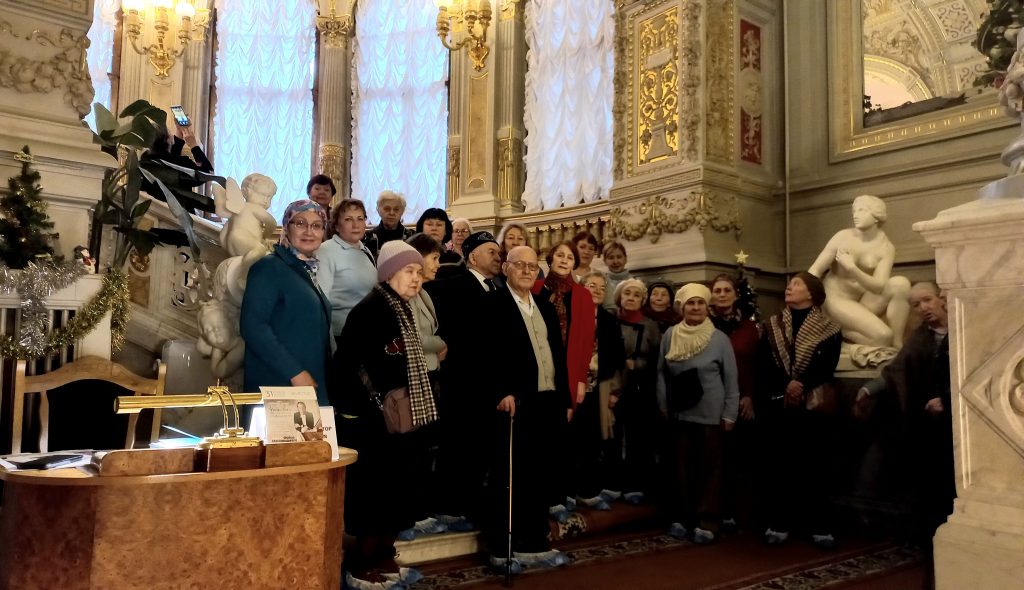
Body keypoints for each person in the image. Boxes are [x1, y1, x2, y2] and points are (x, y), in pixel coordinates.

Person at [332, 240, 439, 588]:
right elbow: (348, 366)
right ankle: (363, 564)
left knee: (397, 490)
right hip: (375, 422)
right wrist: (373, 408)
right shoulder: (370, 310)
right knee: (375, 494)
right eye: (409, 271)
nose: (416, 279)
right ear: (389, 272)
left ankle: (384, 556)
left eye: (419, 273)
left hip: (402, 418)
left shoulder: (401, 308)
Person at [482, 245, 572, 572]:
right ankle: (502, 548)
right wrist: (500, 390)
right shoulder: (492, 304)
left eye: (532, 267)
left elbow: (556, 355)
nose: (526, 270)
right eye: (519, 264)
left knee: (540, 473)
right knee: (510, 476)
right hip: (514, 402)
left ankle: (535, 542)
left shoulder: (545, 306)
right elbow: (485, 355)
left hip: (546, 400)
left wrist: (564, 398)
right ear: (505, 267)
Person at [855, 282, 953, 565]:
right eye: (915, 304)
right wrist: (867, 390)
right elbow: (895, 369)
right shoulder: (920, 336)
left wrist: (946, 400)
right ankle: (929, 536)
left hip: (957, 421)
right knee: (927, 480)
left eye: (927, 300)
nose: (923, 308)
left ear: (941, 299)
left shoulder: (964, 329)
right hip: (925, 421)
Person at [423, 231, 503, 531]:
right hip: (461, 381)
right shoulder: (453, 285)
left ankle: (468, 503)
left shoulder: (497, 288)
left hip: (487, 384)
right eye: (491, 251)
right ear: (472, 257)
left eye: (499, 251)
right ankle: (449, 506)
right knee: (457, 445)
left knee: (478, 447)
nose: (498, 256)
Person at [757, 272, 842, 549]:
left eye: (796, 284)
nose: (789, 288)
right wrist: (787, 384)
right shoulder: (771, 325)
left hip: (813, 409)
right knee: (780, 467)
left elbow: (827, 365)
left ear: (812, 293)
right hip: (779, 405)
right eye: (789, 284)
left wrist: (801, 383)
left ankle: (819, 526)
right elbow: (764, 363)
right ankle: (779, 523)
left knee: (815, 467)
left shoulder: (829, 328)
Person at [657, 283, 739, 545]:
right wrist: (663, 405)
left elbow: (731, 379)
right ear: (682, 307)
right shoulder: (670, 334)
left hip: (711, 416)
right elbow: (661, 373)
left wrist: (730, 414)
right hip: (679, 414)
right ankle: (682, 518)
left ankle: (707, 521)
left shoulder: (719, 339)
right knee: (680, 469)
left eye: (700, 303)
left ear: (707, 307)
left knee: (710, 471)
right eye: (690, 303)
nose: (695, 307)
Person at [240, 200, 332, 405]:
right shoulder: (269, 267)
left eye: (317, 225)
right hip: (280, 385)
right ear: (286, 227)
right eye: (300, 223)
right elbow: (253, 327)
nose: (309, 231)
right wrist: (295, 372)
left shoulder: (304, 270)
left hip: (307, 384)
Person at [532, 240, 596, 520]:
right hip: (540, 368)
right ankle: (538, 494)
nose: (564, 260)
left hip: (568, 369)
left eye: (569, 257)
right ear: (550, 259)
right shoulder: (535, 289)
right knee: (539, 436)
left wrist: (580, 379)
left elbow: (584, 340)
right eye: (559, 255)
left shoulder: (581, 295)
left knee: (561, 435)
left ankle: (557, 496)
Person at [808, 195, 911, 348]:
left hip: (863, 301)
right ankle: (839, 334)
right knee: (883, 336)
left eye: (862, 210)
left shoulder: (886, 247)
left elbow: (878, 287)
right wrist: (808, 301)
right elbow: (815, 270)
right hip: (836, 300)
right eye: (855, 211)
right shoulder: (842, 237)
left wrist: (851, 268)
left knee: (900, 284)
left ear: (876, 216)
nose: (856, 215)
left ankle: (897, 343)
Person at [708, 274, 760, 532]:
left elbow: (755, 365)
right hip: (710, 401)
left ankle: (737, 512)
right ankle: (715, 511)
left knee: (738, 460)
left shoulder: (750, 328)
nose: (721, 294)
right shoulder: (704, 323)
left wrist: (749, 395)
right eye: (717, 290)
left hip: (740, 400)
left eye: (727, 290)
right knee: (714, 459)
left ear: (736, 294)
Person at [574, 271, 627, 510]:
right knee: (571, 440)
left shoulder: (608, 319)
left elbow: (618, 357)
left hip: (600, 388)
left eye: (601, 287)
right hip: (573, 387)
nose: (596, 290)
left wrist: (615, 391)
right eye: (591, 285)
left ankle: (589, 491)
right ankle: (567, 491)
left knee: (593, 441)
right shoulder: (571, 314)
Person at [614, 278, 663, 505]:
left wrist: (638, 365)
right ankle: (614, 484)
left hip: (639, 389)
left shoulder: (651, 326)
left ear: (642, 300)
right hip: (613, 388)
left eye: (636, 295)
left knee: (637, 438)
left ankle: (635, 485)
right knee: (613, 439)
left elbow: (658, 361)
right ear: (619, 298)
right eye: (627, 294)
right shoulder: (610, 321)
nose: (631, 298)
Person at [316, 199, 377, 347]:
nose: (356, 225)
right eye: (348, 219)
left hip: (368, 332)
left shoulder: (364, 249)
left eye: (360, 219)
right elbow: (321, 302)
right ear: (336, 225)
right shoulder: (326, 251)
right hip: (342, 336)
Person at [139, 121, 215, 213]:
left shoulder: (145, 161)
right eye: (170, 133)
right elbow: (207, 172)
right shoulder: (181, 164)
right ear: (167, 140)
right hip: (181, 218)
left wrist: (179, 134)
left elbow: (169, 161)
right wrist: (194, 145)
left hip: (155, 212)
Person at [363, 190, 415, 259]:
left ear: (402, 212)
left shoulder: (412, 237)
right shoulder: (368, 237)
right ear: (378, 210)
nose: (391, 213)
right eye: (387, 209)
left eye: (396, 209)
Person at [494, 221, 529, 289]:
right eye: (511, 238)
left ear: (526, 243)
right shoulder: (494, 267)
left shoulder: (535, 269)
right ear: (503, 241)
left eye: (520, 238)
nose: (515, 243)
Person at [600, 240, 632, 310]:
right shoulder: (601, 283)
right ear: (605, 261)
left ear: (625, 259)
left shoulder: (635, 283)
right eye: (611, 258)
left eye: (619, 257)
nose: (615, 261)